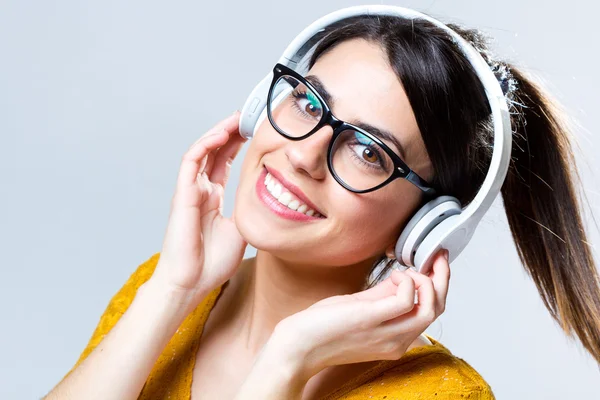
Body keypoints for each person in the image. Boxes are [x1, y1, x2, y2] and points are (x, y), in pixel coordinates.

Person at [44, 12, 600, 400]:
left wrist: (288, 361)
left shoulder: (438, 395)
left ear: (428, 228)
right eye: (308, 102)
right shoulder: (164, 293)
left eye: (367, 150)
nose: (303, 154)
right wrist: (170, 292)